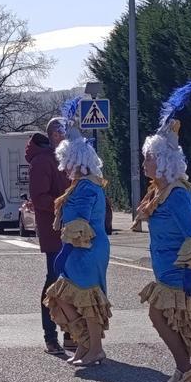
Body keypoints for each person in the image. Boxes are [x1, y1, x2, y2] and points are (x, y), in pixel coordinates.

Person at [136, 76, 191, 382]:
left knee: (160, 317)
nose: (144, 163)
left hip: (177, 272)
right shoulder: (160, 192)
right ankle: (184, 369)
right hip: (166, 267)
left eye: (149, 158)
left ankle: (185, 369)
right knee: (166, 320)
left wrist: (189, 282)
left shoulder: (179, 195)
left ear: (165, 161)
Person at [43, 99, 111, 367]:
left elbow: (80, 223)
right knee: (61, 296)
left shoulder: (87, 187)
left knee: (87, 299)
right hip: (78, 250)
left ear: (76, 161)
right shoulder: (81, 185)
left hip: (87, 250)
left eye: (67, 162)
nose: (65, 168)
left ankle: (95, 348)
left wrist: (66, 251)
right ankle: (85, 344)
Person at [28, 117, 73, 354]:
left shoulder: (65, 158)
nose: (68, 136)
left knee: (72, 282)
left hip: (71, 230)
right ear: (55, 135)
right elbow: (39, 197)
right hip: (54, 231)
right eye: (64, 132)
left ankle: (70, 333)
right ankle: (50, 336)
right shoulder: (43, 161)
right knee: (54, 281)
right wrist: (65, 204)